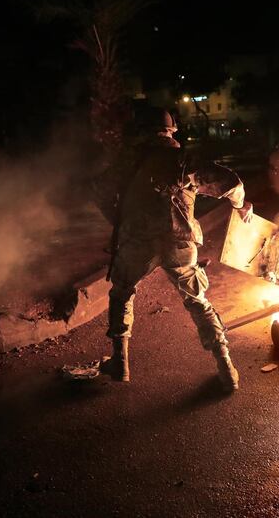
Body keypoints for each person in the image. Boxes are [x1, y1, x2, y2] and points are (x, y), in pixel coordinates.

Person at [93, 107, 253, 392]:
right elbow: (232, 183)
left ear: (143, 131)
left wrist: (119, 219)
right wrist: (241, 207)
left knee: (121, 292)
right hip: (180, 244)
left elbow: (99, 190)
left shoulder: (127, 162)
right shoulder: (184, 160)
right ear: (172, 131)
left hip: (137, 243)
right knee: (198, 301)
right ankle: (226, 367)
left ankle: (121, 363)